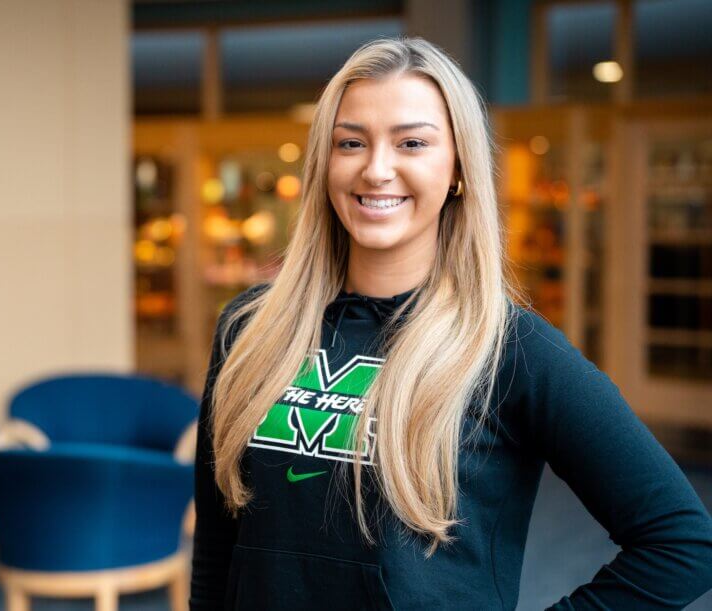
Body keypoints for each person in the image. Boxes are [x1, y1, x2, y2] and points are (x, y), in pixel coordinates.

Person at [189, 37, 712, 611]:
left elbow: (683, 541)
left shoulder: (510, 350)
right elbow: (219, 550)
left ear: (458, 167)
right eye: (351, 142)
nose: (377, 168)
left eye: (411, 142)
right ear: (325, 162)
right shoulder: (249, 328)